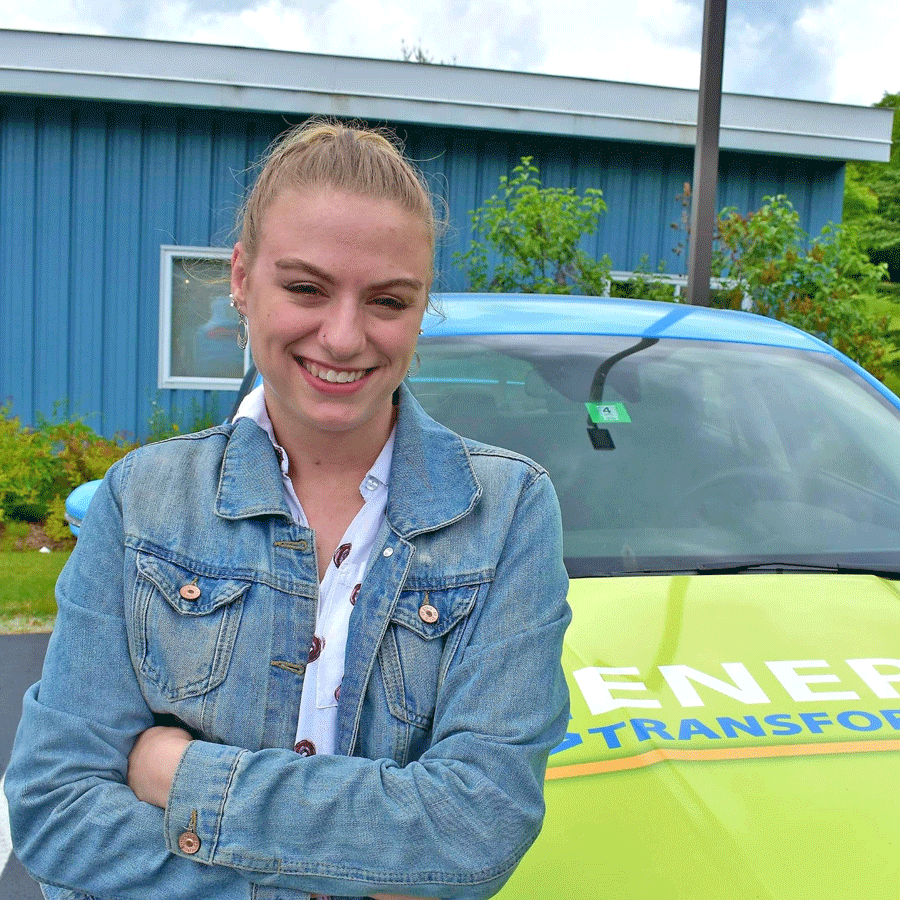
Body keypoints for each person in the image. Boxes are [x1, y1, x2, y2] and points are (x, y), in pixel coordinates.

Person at [5, 120, 570, 900]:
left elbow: (479, 827)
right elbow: (56, 812)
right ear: (241, 280)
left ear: (420, 307)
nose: (343, 337)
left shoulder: (506, 513)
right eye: (305, 288)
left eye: (387, 300)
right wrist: (345, 878)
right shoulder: (143, 501)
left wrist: (180, 775)